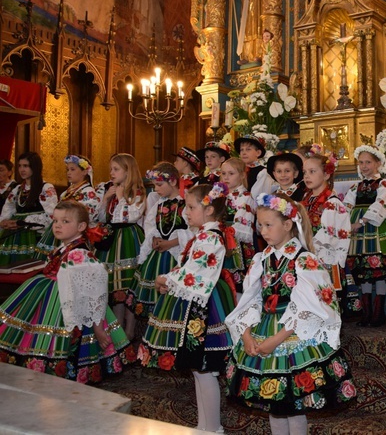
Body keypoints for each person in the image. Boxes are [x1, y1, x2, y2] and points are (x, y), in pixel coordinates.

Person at [225, 193, 356, 434]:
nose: (262, 231)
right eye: (260, 225)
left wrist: (275, 340)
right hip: (263, 330)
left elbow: (312, 308)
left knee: (294, 405)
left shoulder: (304, 261)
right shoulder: (260, 260)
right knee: (274, 404)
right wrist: (245, 334)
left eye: (268, 225)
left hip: (291, 335)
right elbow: (249, 300)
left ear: (287, 225)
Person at [139, 183, 235, 433]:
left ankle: (212, 427)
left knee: (205, 370)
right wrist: (171, 279)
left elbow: (196, 276)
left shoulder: (210, 237)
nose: (186, 212)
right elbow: (188, 269)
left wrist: (166, 280)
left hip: (203, 307)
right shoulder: (202, 235)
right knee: (199, 370)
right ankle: (204, 426)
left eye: (191, 207)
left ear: (210, 209)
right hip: (196, 301)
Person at [0, 201, 128, 383]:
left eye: (65, 221)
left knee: (66, 338)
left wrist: (98, 328)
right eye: (56, 221)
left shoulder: (80, 254)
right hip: (49, 293)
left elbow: (95, 292)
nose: (58, 225)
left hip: (68, 301)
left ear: (81, 226)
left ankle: (61, 368)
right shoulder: (64, 247)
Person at [343, 145, 386, 327]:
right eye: (361, 162)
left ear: (378, 163)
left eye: (368, 162)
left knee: (378, 271)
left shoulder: (382, 185)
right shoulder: (356, 186)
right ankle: (366, 312)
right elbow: (347, 204)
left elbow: (381, 204)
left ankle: (379, 312)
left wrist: (361, 222)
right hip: (357, 231)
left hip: (375, 228)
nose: (364, 166)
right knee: (363, 272)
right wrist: (346, 221)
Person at [94, 154, 145, 341]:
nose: (111, 173)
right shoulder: (111, 190)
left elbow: (128, 217)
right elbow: (103, 218)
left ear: (127, 171)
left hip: (129, 239)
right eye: (111, 169)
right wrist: (106, 200)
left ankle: (130, 331)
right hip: (110, 239)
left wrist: (122, 197)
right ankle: (117, 329)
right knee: (114, 288)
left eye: (116, 169)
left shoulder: (137, 192)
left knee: (127, 286)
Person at [130, 163, 190, 321]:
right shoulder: (159, 204)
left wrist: (171, 243)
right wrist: (154, 238)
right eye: (155, 185)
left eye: (159, 185)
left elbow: (192, 230)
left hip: (174, 254)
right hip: (157, 254)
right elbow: (150, 224)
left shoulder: (185, 203)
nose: (156, 189)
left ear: (173, 182)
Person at [301, 147, 355, 314]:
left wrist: (305, 245)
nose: (307, 176)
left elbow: (329, 236)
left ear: (326, 174)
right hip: (307, 259)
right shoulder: (306, 200)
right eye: (304, 172)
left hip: (324, 261)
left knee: (327, 309)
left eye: (312, 171)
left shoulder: (332, 203)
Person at [35, 155, 100, 259]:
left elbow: (88, 217)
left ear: (84, 171)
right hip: (61, 232)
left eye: (72, 169)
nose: (68, 172)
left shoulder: (88, 192)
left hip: (75, 234)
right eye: (67, 169)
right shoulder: (66, 192)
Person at [0, 152, 57, 266]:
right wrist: (4, 222)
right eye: (20, 166)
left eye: (26, 166)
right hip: (14, 235)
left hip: (34, 236)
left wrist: (24, 222)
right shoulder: (17, 189)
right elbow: (8, 209)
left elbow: (52, 215)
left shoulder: (45, 188)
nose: (22, 169)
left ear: (35, 167)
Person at [220, 157, 256, 290]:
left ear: (242, 175)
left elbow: (243, 224)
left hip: (238, 244)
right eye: (223, 173)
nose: (226, 177)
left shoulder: (246, 196)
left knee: (238, 281)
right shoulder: (219, 196)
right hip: (221, 240)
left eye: (231, 174)